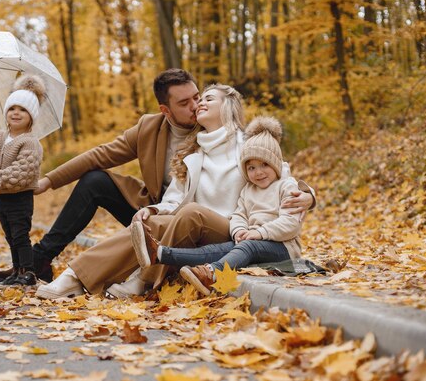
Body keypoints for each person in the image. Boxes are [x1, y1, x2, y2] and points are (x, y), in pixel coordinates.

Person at [35, 84, 315, 299]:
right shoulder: (192, 150)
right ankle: (75, 276)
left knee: (191, 213)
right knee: (151, 221)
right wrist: (153, 209)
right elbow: (175, 199)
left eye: (209, 98)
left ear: (228, 106)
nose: (200, 103)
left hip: (233, 230)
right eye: (199, 99)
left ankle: (141, 278)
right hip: (191, 228)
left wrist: (309, 195)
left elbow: (282, 174)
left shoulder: (249, 143)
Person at [0, 68, 201, 283]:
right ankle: (39, 259)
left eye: (197, 97)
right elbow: (101, 154)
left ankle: (32, 263)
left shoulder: (211, 125)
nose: (195, 107)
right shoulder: (150, 127)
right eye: (184, 103)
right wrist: (48, 181)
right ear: (165, 110)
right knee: (95, 181)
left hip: (192, 220)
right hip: (152, 213)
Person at [133, 116, 305, 296]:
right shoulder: (248, 190)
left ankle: (212, 273)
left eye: (264, 165)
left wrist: (259, 233)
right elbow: (240, 214)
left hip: (283, 247)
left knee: (249, 247)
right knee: (216, 250)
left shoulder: (286, 186)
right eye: (251, 168)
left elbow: (290, 224)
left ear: (275, 164)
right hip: (253, 242)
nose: (258, 172)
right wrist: (238, 230)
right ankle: (159, 253)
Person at [0, 75, 44, 286]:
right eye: (12, 108)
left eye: (23, 110)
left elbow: (23, 171)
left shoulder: (30, 142)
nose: (16, 113)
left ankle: (28, 271)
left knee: (21, 234)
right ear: (6, 113)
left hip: (20, 198)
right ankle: (16, 269)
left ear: (31, 117)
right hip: (2, 198)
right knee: (10, 235)